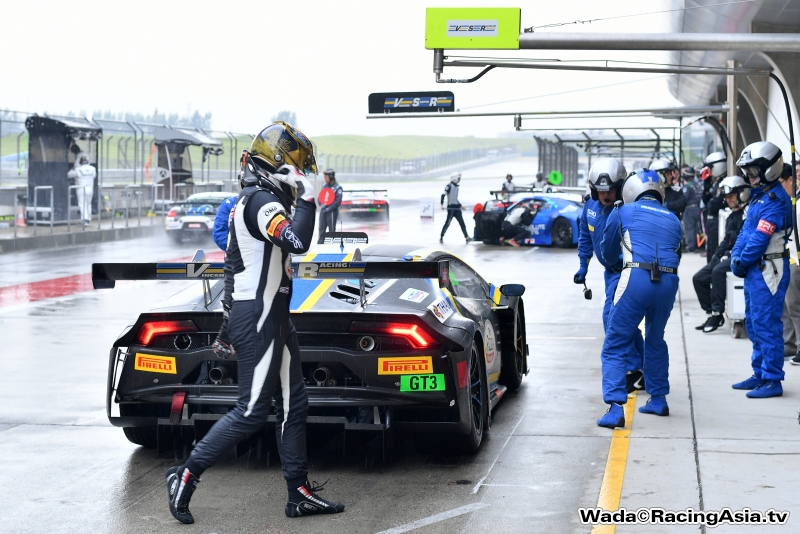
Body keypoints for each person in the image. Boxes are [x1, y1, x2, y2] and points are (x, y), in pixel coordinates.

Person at [166, 122, 344, 524]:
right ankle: (185, 475)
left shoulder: (255, 199)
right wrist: (309, 198)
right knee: (250, 411)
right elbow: (298, 242)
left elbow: (232, 266)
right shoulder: (261, 202)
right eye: (298, 167)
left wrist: (228, 323)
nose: (303, 175)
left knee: (294, 404)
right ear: (280, 166)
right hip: (260, 316)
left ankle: (298, 493)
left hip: (270, 316)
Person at [595, 168, 682, 428]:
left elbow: (608, 251)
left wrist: (617, 264)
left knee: (616, 342)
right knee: (656, 339)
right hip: (668, 280)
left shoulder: (622, 211)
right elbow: (676, 250)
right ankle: (658, 398)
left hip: (636, 277)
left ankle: (614, 408)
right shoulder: (673, 218)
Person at [574, 158, 645, 395]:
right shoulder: (590, 208)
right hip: (610, 274)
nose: (606, 194)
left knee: (613, 319)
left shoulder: (629, 210)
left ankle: (633, 369)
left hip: (628, 272)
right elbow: (585, 237)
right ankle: (643, 368)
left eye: (611, 189)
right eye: (601, 190)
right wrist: (583, 265)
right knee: (625, 323)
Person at [730, 141, 792, 399]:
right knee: (754, 323)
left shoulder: (775, 200)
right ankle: (760, 373)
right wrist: (736, 257)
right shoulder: (760, 197)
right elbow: (745, 232)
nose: (749, 176)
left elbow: (759, 238)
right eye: (748, 171)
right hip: (756, 268)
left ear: (769, 169)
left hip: (769, 268)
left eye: (753, 171)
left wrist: (742, 260)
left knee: (767, 324)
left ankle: (772, 379)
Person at [692, 175, 748, 332]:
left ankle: (717, 313)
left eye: (731, 196)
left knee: (718, 271)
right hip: (729, 255)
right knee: (699, 278)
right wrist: (717, 254)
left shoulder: (748, 215)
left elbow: (745, 241)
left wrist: (728, 254)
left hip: (741, 258)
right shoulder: (732, 216)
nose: (728, 200)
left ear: (741, 194)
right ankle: (712, 312)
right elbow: (727, 239)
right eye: (727, 197)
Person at [702, 152, 728, 263]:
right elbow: (706, 201)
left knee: (714, 252)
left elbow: (713, 205)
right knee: (710, 250)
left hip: (717, 222)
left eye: (710, 168)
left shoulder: (724, 183)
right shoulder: (716, 183)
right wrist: (706, 187)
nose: (709, 171)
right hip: (712, 222)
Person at [440, 173, 471, 244]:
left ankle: (466, 237)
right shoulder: (449, 186)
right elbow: (443, 194)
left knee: (462, 222)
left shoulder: (456, 187)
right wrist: (441, 204)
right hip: (451, 208)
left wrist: (460, 206)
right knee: (447, 223)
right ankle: (441, 236)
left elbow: (455, 198)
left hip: (456, 207)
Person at [67, 153, 96, 226]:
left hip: (81, 188)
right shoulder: (93, 169)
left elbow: (69, 175)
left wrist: (73, 168)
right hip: (90, 188)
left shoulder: (78, 169)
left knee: (82, 204)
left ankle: (85, 219)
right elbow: (94, 176)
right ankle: (88, 219)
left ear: (80, 162)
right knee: (89, 204)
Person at [317, 169, 342, 243]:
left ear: (331, 177)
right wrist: (321, 204)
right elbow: (320, 197)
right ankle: (320, 244)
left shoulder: (337, 188)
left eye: (326, 177)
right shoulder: (324, 186)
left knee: (331, 231)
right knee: (321, 229)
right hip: (323, 210)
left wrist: (329, 208)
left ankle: (332, 245)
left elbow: (338, 201)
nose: (325, 179)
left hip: (331, 212)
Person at [681, 167, 703, 252]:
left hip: (689, 209)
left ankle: (690, 246)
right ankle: (698, 245)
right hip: (697, 208)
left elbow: (684, 198)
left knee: (689, 227)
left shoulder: (688, 186)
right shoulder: (697, 185)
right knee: (696, 227)